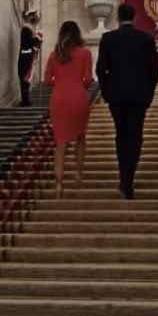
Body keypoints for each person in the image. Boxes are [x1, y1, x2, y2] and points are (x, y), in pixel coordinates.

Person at [96, 3, 158, 199]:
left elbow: (101, 69)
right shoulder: (147, 39)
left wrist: (106, 92)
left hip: (116, 96)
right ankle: (129, 179)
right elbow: (154, 71)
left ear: (117, 17)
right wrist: (149, 93)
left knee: (121, 134)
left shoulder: (108, 38)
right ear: (135, 17)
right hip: (139, 96)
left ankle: (124, 177)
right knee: (135, 135)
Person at [44, 21, 93, 197]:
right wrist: (79, 84)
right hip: (78, 97)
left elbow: (48, 80)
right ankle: (78, 174)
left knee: (60, 143)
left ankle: (58, 184)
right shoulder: (85, 53)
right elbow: (88, 79)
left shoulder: (54, 55)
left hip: (59, 99)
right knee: (80, 137)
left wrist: (62, 82)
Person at [19, 10, 43, 106]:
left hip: (28, 55)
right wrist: (38, 37)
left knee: (26, 79)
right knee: (25, 77)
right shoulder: (26, 30)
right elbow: (32, 42)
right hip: (26, 56)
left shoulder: (30, 30)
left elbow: (35, 44)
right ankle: (25, 100)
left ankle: (26, 99)